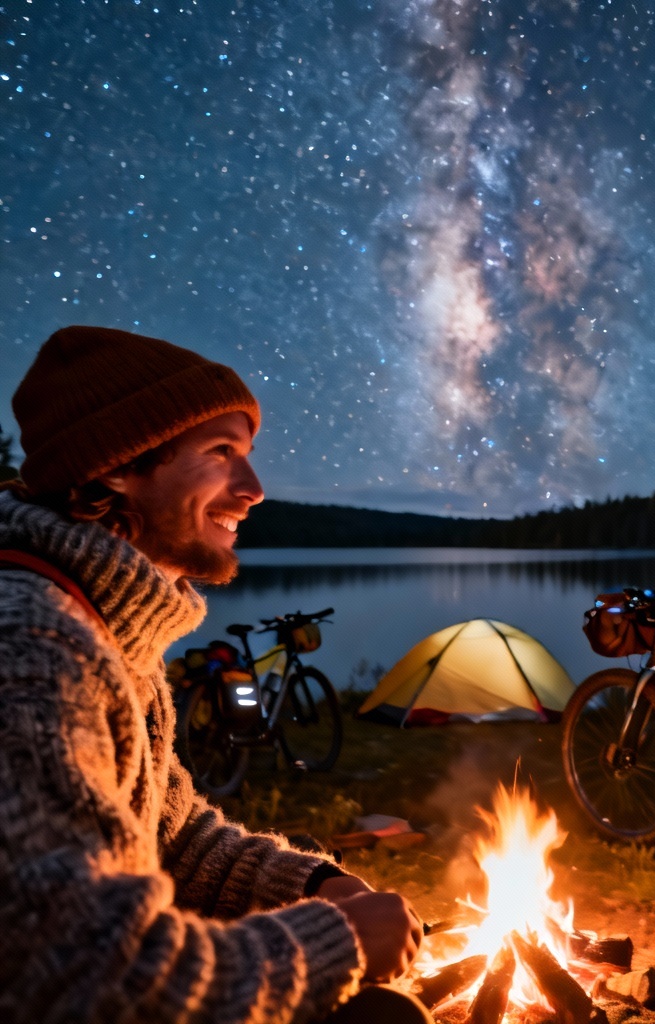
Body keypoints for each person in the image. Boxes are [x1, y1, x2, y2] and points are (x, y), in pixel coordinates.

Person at [0, 326, 431, 1023]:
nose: (254, 490)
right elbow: (88, 977)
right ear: (116, 467)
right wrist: (340, 940)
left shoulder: (112, 633)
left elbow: (170, 837)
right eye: (221, 452)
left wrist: (317, 885)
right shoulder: (32, 645)